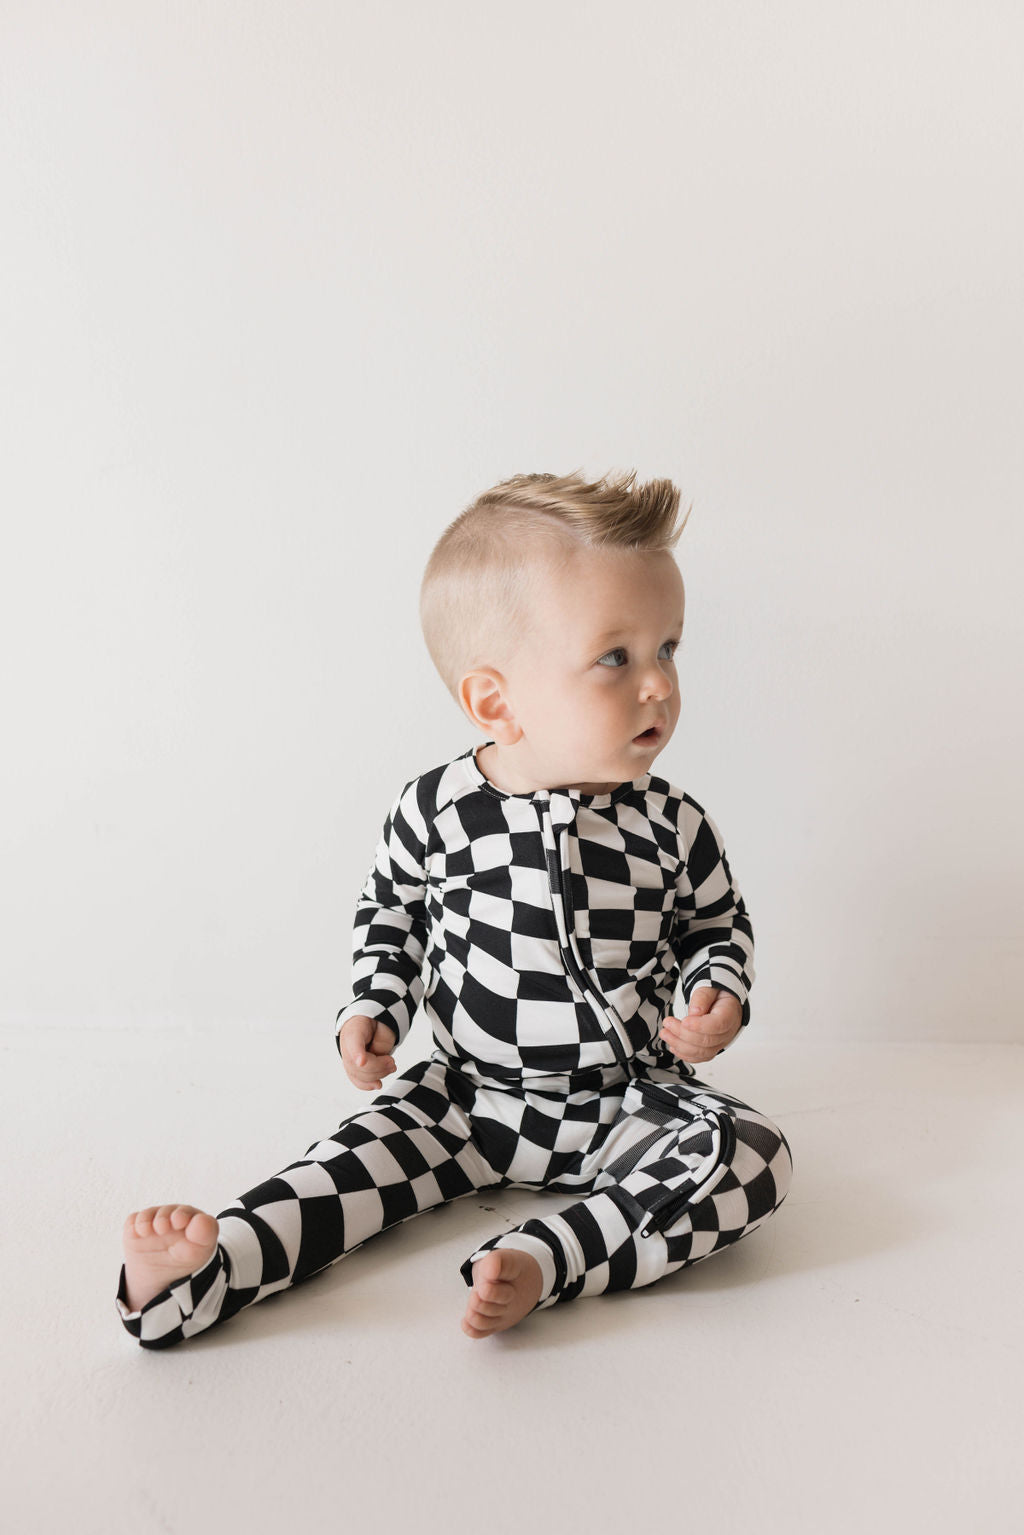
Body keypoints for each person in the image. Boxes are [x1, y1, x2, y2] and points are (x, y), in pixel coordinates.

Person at [116, 468, 793, 1349]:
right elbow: (390, 914)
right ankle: (198, 1273)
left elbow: (715, 924)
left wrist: (717, 992)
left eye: (669, 647)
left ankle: (547, 1259)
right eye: (616, 657)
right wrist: (373, 1004)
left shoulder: (671, 821)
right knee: (344, 1168)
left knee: (752, 1154)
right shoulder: (436, 812)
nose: (659, 684)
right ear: (493, 701)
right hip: (466, 1100)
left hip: (627, 1100)